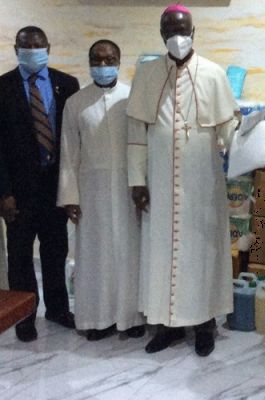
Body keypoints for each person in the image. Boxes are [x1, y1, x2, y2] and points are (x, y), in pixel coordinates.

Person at [127, 4, 238, 357]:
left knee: (201, 252)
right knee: (161, 253)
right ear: (162, 34)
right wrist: (137, 180)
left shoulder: (214, 74)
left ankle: (204, 323)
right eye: (171, 30)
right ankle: (165, 326)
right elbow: (135, 133)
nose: (178, 37)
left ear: (194, 32)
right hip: (158, 182)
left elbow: (228, 128)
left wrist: (251, 139)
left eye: (183, 30)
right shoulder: (146, 75)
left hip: (201, 183)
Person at [57, 40, 145, 341]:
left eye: (109, 59)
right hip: (90, 191)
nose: (103, 64)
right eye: (97, 59)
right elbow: (69, 153)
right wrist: (69, 197)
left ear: (120, 61)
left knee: (128, 253)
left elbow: (141, 144)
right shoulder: (76, 102)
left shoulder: (132, 97)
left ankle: (131, 318)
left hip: (127, 188)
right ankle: (97, 319)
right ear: (89, 62)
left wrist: (141, 183)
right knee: (95, 256)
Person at [0, 26, 79, 342]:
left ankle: (58, 310)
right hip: (17, 191)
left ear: (48, 46)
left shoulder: (66, 84)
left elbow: (73, 140)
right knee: (20, 256)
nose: (32, 49)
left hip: (55, 187)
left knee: (55, 249)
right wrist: (3, 192)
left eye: (38, 44)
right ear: (16, 49)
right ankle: (25, 317)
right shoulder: (2, 87)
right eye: (25, 45)